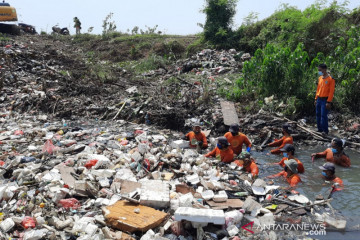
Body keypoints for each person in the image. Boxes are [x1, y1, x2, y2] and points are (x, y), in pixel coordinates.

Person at [314, 63, 335, 135]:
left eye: (320, 70)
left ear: (324, 69)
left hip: (325, 100)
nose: (319, 71)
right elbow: (318, 89)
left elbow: (331, 92)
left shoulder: (330, 79)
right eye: (318, 70)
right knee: (318, 114)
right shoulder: (320, 78)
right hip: (319, 98)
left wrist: (329, 102)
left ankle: (325, 131)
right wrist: (316, 99)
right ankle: (319, 129)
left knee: (323, 115)